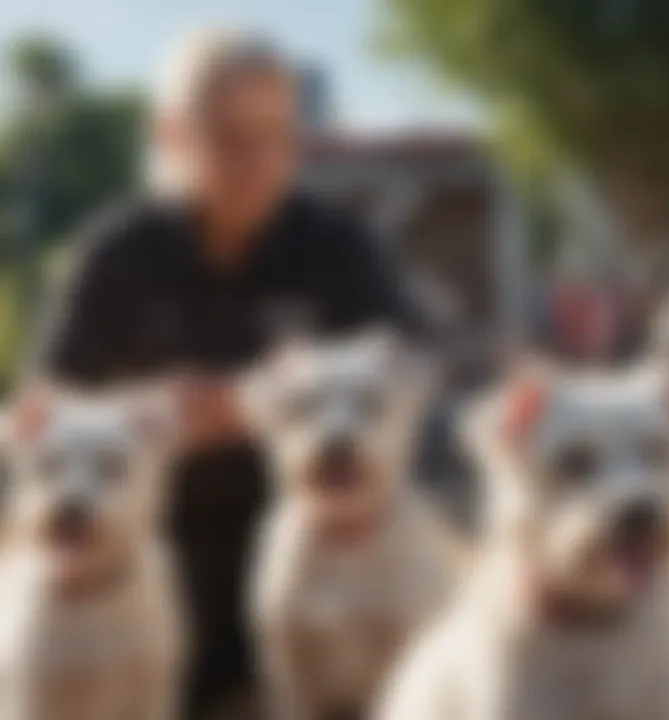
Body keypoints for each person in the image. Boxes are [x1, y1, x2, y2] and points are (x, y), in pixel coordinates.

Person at [34, 30, 414, 719]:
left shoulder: (339, 249)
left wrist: (252, 407)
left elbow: (412, 378)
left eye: (278, 137)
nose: (259, 162)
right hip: (154, 552)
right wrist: (146, 415)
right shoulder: (116, 256)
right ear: (170, 136)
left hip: (318, 544)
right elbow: (45, 414)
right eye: (231, 138)